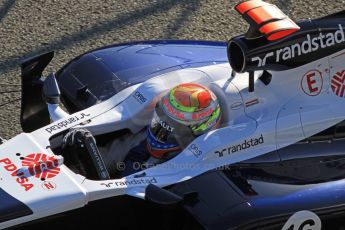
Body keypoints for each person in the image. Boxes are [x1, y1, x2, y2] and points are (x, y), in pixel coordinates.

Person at [61, 83, 222, 178]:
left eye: (174, 126)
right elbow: (107, 157)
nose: (163, 129)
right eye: (162, 120)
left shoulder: (204, 166)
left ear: (200, 128)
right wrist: (79, 157)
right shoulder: (142, 139)